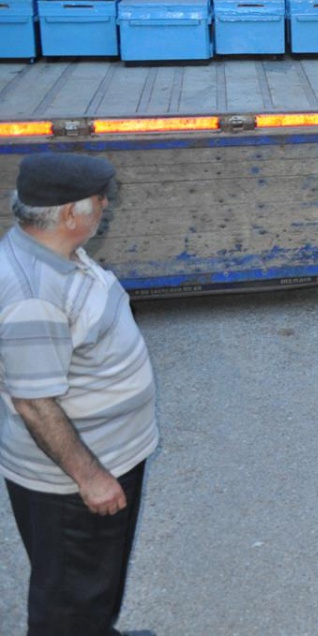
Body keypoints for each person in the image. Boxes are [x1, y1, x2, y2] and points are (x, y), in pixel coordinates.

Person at [0, 153, 158, 636]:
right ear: (69, 214)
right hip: (74, 482)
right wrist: (90, 479)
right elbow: (33, 403)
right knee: (70, 599)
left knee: (92, 582)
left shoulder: (53, 252)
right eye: (98, 199)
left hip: (106, 457)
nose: (105, 205)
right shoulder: (33, 295)